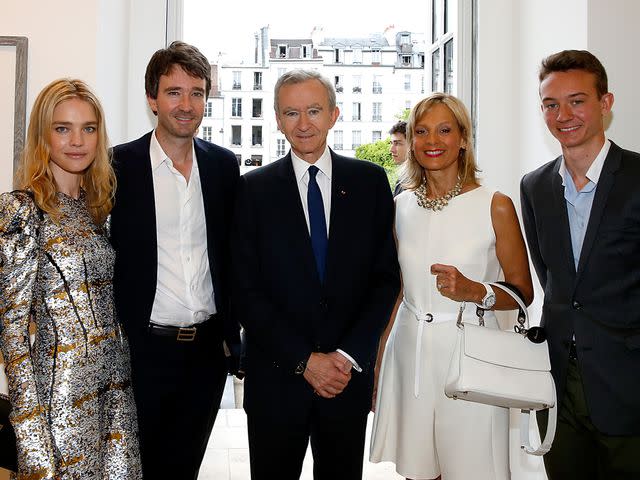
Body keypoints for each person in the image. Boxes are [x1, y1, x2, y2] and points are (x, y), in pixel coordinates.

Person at [231, 69, 400, 480]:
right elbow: (243, 289)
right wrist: (303, 360)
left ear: (334, 114)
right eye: (291, 113)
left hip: (346, 379)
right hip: (276, 379)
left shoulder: (370, 182)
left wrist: (346, 356)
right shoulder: (252, 190)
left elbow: (385, 280)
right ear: (276, 119)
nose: (303, 124)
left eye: (313, 111)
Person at [370, 92, 533, 480]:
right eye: (421, 131)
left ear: (463, 138)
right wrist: (379, 361)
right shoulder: (401, 206)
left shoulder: (495, 204)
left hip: (471, 353)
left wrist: (476, 291)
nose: (432, 141)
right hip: (410, 354)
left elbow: (522, 293)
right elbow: (399, 291)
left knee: (475, 470)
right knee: (417, 471)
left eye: (444, 130)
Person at [110, 41, 241, 479]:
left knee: (184, 469)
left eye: (197, 92)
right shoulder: (117, 167)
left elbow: (234, 256)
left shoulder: (225, 166)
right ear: (152, 98)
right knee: (139, 469)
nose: (186, 105)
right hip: (142, 351)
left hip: (206, 353)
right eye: (174, 92)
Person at [0, 78, 141, 478]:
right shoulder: (20, 211)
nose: (77, 141)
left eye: (88, 128)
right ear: (43, 136)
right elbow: (11, 335)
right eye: (63, 128)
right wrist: (31, 439)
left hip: (115, 394)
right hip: (57, 399)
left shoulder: (100, 209)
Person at [520, 49, 640, 479]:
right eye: (551, 104)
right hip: (559, 390)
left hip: (630, 389)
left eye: (577, 100)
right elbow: (553, 281)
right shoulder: (534, 186)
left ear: (605, 104)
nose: (563, 114)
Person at [389, 120, 408, 196]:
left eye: (397, 143)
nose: (391, 150)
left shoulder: (416, 181)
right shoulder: (404, 176)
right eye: (391, 143)